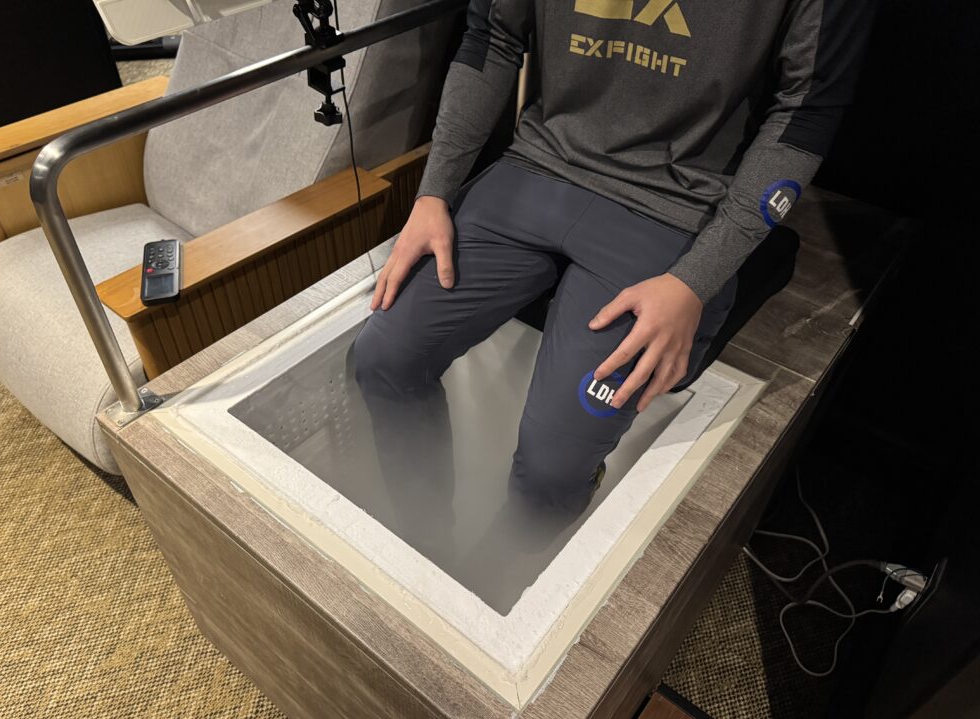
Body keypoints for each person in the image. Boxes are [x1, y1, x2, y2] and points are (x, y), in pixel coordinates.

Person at [354, 0, 877, 516]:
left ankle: (532, 546)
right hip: (539, 165)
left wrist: (694, 281)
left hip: (678, 203)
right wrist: (433, 194)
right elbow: (493, 36)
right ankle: (423, 528)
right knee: (382, 358)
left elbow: (806, 109)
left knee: (551, 472)